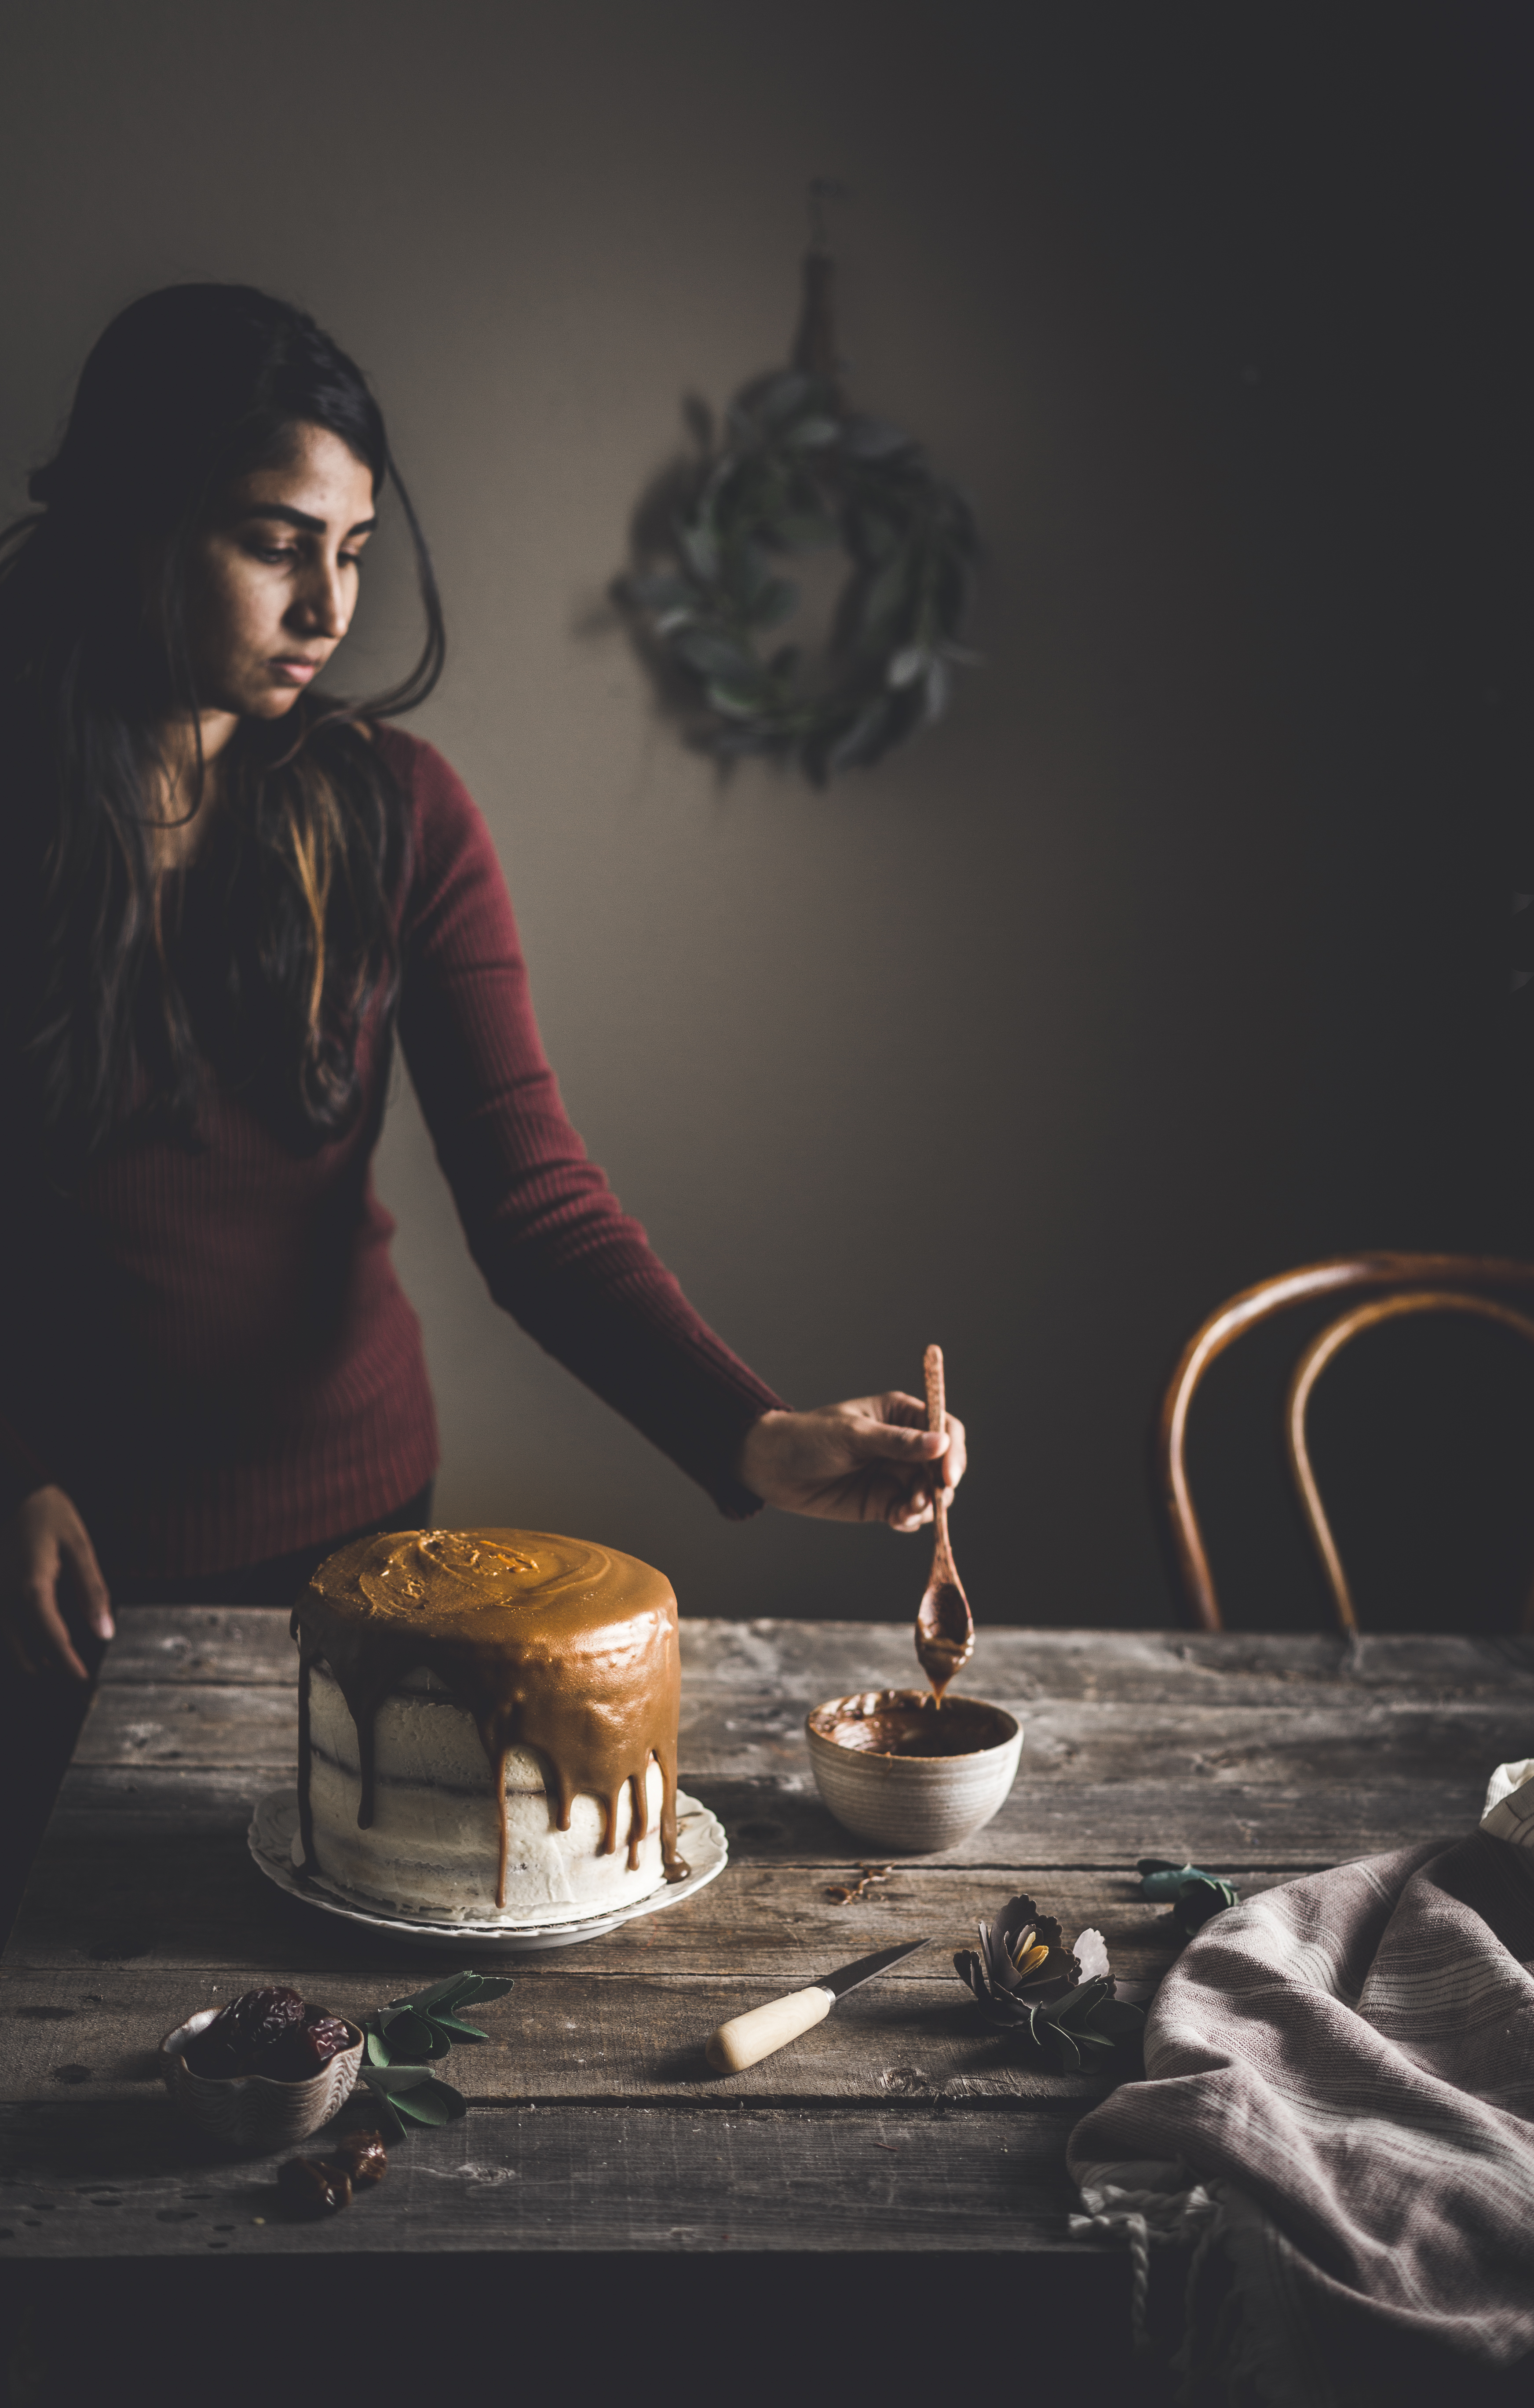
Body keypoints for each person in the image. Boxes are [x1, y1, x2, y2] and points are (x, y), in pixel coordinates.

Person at [0, 283, 966, 1713]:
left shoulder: (399, 813)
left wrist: (749, 1433)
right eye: (275, 545)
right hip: (60, 1574)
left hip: (363, 1539)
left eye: (355, 551)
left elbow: (536, 1202)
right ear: (136, 519)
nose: (331, 607)